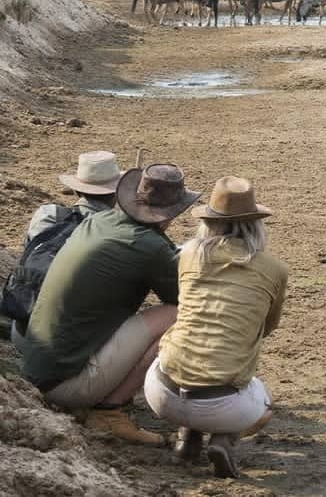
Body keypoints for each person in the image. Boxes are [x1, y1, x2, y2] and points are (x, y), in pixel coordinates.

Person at [22, 163, 200, 445]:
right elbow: (184, 297)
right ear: (170, 214)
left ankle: (106, 399)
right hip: (66, 384)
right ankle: (108, 412)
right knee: (182, 316)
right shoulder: (150, 247)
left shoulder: (98, 221)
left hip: (37, 368)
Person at [144, 176, 288, 478]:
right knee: (264, 399)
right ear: (256, 224)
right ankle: (223, 439)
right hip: (223, 406)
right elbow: (266, 327)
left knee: (186, 353)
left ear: (209, 221)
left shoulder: (189, 255)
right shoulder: (274, 269)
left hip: (161, 394)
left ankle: (189, 437)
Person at [10, 150, 123, 352]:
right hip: (69, 348)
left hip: (21, 332)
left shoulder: (47, 215)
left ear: (76, 190)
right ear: (116, 194)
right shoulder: (118, 233)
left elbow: (26, 254)